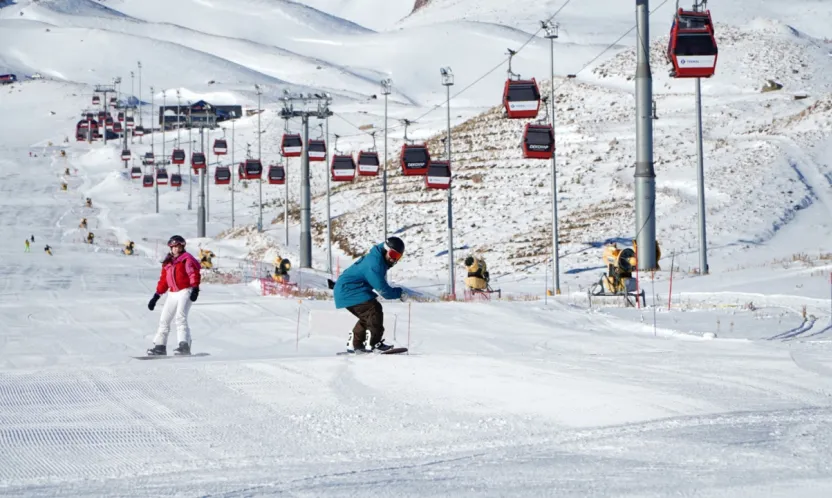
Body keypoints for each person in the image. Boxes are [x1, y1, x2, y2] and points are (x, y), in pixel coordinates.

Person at [333, 237, 406, 353]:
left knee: (367, 316)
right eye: (392, 254)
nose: (393, 259)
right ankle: (373, 343)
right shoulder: (374, 264)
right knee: (373, 310)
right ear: (386, 250)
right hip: (349, 290)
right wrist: (400, 293)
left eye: (397, 257)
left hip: (350, 289)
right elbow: (384, 291)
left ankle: (355, 344)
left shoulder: (378, 259)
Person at [146, 235, 201, 356]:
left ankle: (184, 345)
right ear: (170, 248)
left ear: (182, 247)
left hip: (185, 291)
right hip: (172, 293)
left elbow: (193, 274)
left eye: (178, 246)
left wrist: (195, 288)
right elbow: (164, 281)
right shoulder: (168, 262)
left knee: (180, 317)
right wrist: (156, 297)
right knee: (164, 320)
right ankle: (160, 346)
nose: (176, 249)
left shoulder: (186, 259)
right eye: (173, 247)